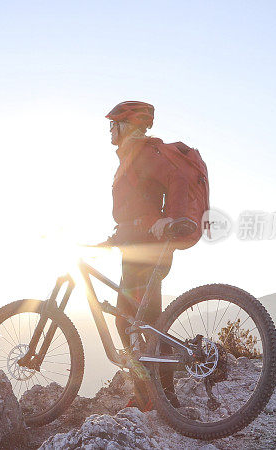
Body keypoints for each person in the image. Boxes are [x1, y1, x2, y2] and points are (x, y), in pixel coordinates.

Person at [103, 100, 190, 409]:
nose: (109, 131)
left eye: (113, 124)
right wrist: (117, 235)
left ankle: (162, 397)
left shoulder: (143, 153)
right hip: (135, 249)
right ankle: (148, 394)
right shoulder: (130, 158)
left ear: (125, 126)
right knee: (129, 322)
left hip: (148, 252)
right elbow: (137, 206)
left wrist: (171, 221)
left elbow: (177, 180)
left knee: (148, 323)